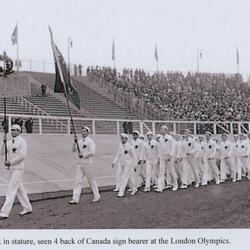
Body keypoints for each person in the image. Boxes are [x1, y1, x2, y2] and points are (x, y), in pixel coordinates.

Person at [0, 124, 32, 220]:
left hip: (18, 169)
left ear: (19, 131)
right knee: (19, 189)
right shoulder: (10, 142)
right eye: (11, 130)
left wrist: (10, 162)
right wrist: (4, 142)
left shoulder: (22, 142)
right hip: (11, 170)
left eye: (15, 130)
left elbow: (22, 156)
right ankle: (28, 208)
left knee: (11, 190)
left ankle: (4, 213)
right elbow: (1, 152)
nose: (12, 131)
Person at [68, 126, 100, 204]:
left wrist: (84, 154)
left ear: (88, 132)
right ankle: (75, 198)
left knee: (91, 180)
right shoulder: (80, 141)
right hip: (80, 163)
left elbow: (93, 152)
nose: (83, 133)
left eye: (84, 131)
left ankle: (96, 196)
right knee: (77, 181)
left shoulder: (90, 141)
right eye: (82, 131)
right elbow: (73, 150)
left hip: (88, 163)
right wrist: (74, 142)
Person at [112, 133, 137, 197]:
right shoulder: (120, 145)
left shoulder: (129, 146)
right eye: (121, 138)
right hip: (121, 163)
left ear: (126, 139)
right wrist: (114, 161)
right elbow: (118, 154)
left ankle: (121, 192)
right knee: (125, 177)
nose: (122, 139)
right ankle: (134, 188)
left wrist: (135, 165)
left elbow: (134, 156)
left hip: (128, 164)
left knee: (124, 177)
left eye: (123, 138)